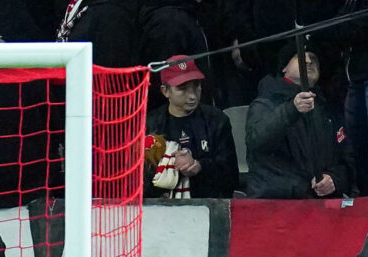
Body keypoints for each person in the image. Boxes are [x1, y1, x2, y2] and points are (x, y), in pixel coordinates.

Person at [245, 47, 347, 199]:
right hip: (275, 204)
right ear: (284, 68)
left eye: (314, 59)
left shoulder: (328, 110)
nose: (308, 61)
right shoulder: (265, 104)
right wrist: (292, 109)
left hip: (317, 205)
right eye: (299, 57)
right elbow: (256, 140)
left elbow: (345, 160)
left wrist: (334, 179)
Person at [147, 57, 238, 200]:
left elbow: (231, 176)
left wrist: (199, 167)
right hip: (160, 208)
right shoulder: (150, 124)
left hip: (207, 204)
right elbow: (134, 178)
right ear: (165, 91)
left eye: (196, 86)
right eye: (182, 88)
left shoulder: (216, 120)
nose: (192, 95)